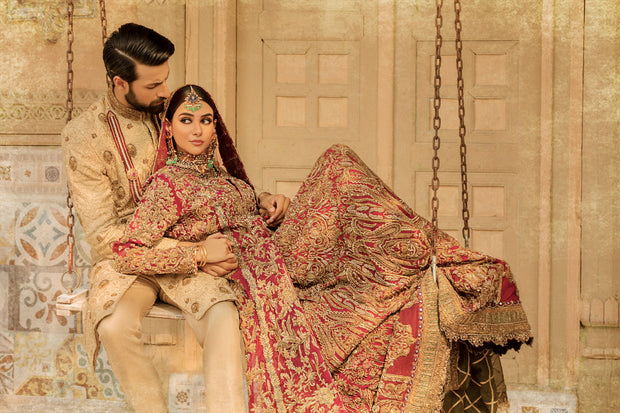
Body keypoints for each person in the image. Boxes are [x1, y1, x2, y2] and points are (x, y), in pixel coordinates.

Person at [113, 84, 533, 413]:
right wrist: (199, 255)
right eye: (186, 120)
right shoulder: (168, 186)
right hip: (261, 279)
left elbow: (243, 214)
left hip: (279, 255)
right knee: (340, 168)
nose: (198, 129)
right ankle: (461, 264)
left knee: (346, 174)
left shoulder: (225, 176)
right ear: (169, 128)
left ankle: (445, 260)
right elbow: (127, 251)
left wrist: (273, 206)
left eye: (205, 120)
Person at [62, 24, 291, 413]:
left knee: (222, 316)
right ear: (120, 83)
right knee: (115, 326)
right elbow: (104, 236)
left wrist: (261, 199)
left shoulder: (177, 111)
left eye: (165, 80)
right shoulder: (84, 136)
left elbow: (217, 177)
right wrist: (196, 252)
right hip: (131, 259)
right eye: (152, 85)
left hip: (202, 249)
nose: (164, 92)